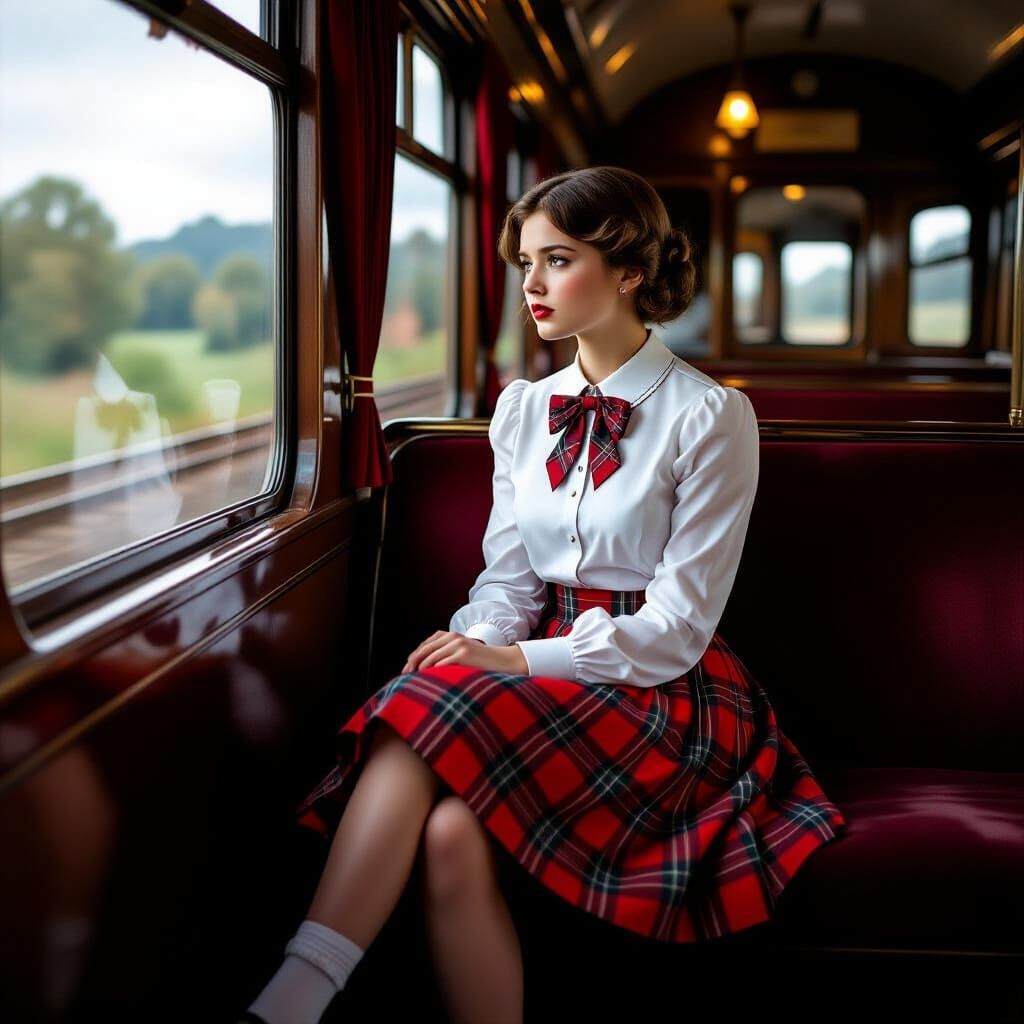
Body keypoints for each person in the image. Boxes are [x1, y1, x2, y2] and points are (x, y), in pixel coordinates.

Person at [238, 166, 848, 1024]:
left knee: (426, 710)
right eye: (524, 261)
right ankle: (302, 996)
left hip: (663, 689)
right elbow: (509, 579)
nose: (530, 284)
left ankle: (294, 998)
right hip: (535, 666)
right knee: (450, 831)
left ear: (630, 271)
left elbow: (679, 627)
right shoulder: (524, 410)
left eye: (557, 260)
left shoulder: (711, 417)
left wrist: (507, 658)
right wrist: (482, 636)